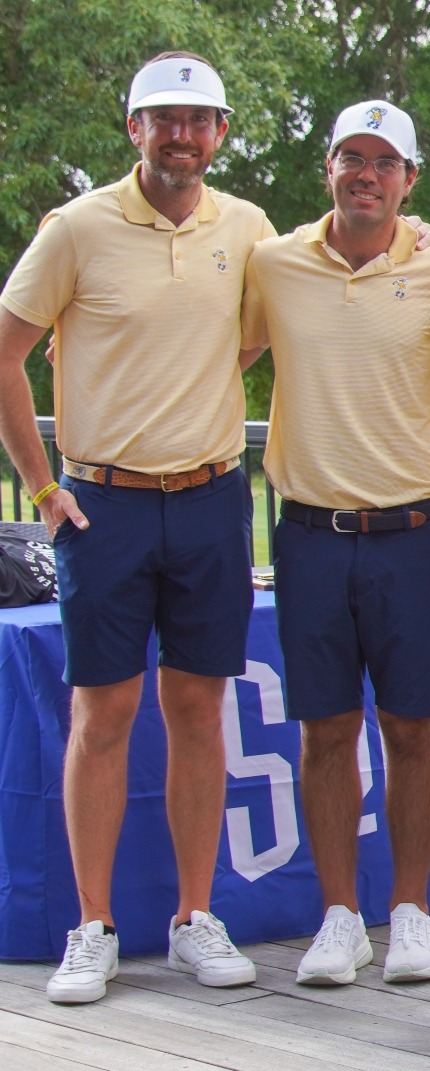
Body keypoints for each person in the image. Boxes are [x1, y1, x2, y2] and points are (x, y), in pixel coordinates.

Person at [0, 53, 273, 1004]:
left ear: (221, 133)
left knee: (198, 712)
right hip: (101, 504)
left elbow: (258, 329)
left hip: (208, 500)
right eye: (164, 120)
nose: (182, 137)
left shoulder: (245, 227)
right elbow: (6, 349)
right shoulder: (75, 227)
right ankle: (93, 924)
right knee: (102, 715)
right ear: (135, 130)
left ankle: (196, 917)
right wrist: (40, 487)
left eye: (199, 122)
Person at [239, 99, 430, 986]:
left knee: (413, 727)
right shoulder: (272, 264)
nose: (365, 174)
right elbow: (197, 339)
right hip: (309, 535)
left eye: (383, 162)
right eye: (350, 158)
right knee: (325, 731)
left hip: (412, 531)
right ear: (327, 169)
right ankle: (341, 917)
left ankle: (409, 912)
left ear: (409, 181)